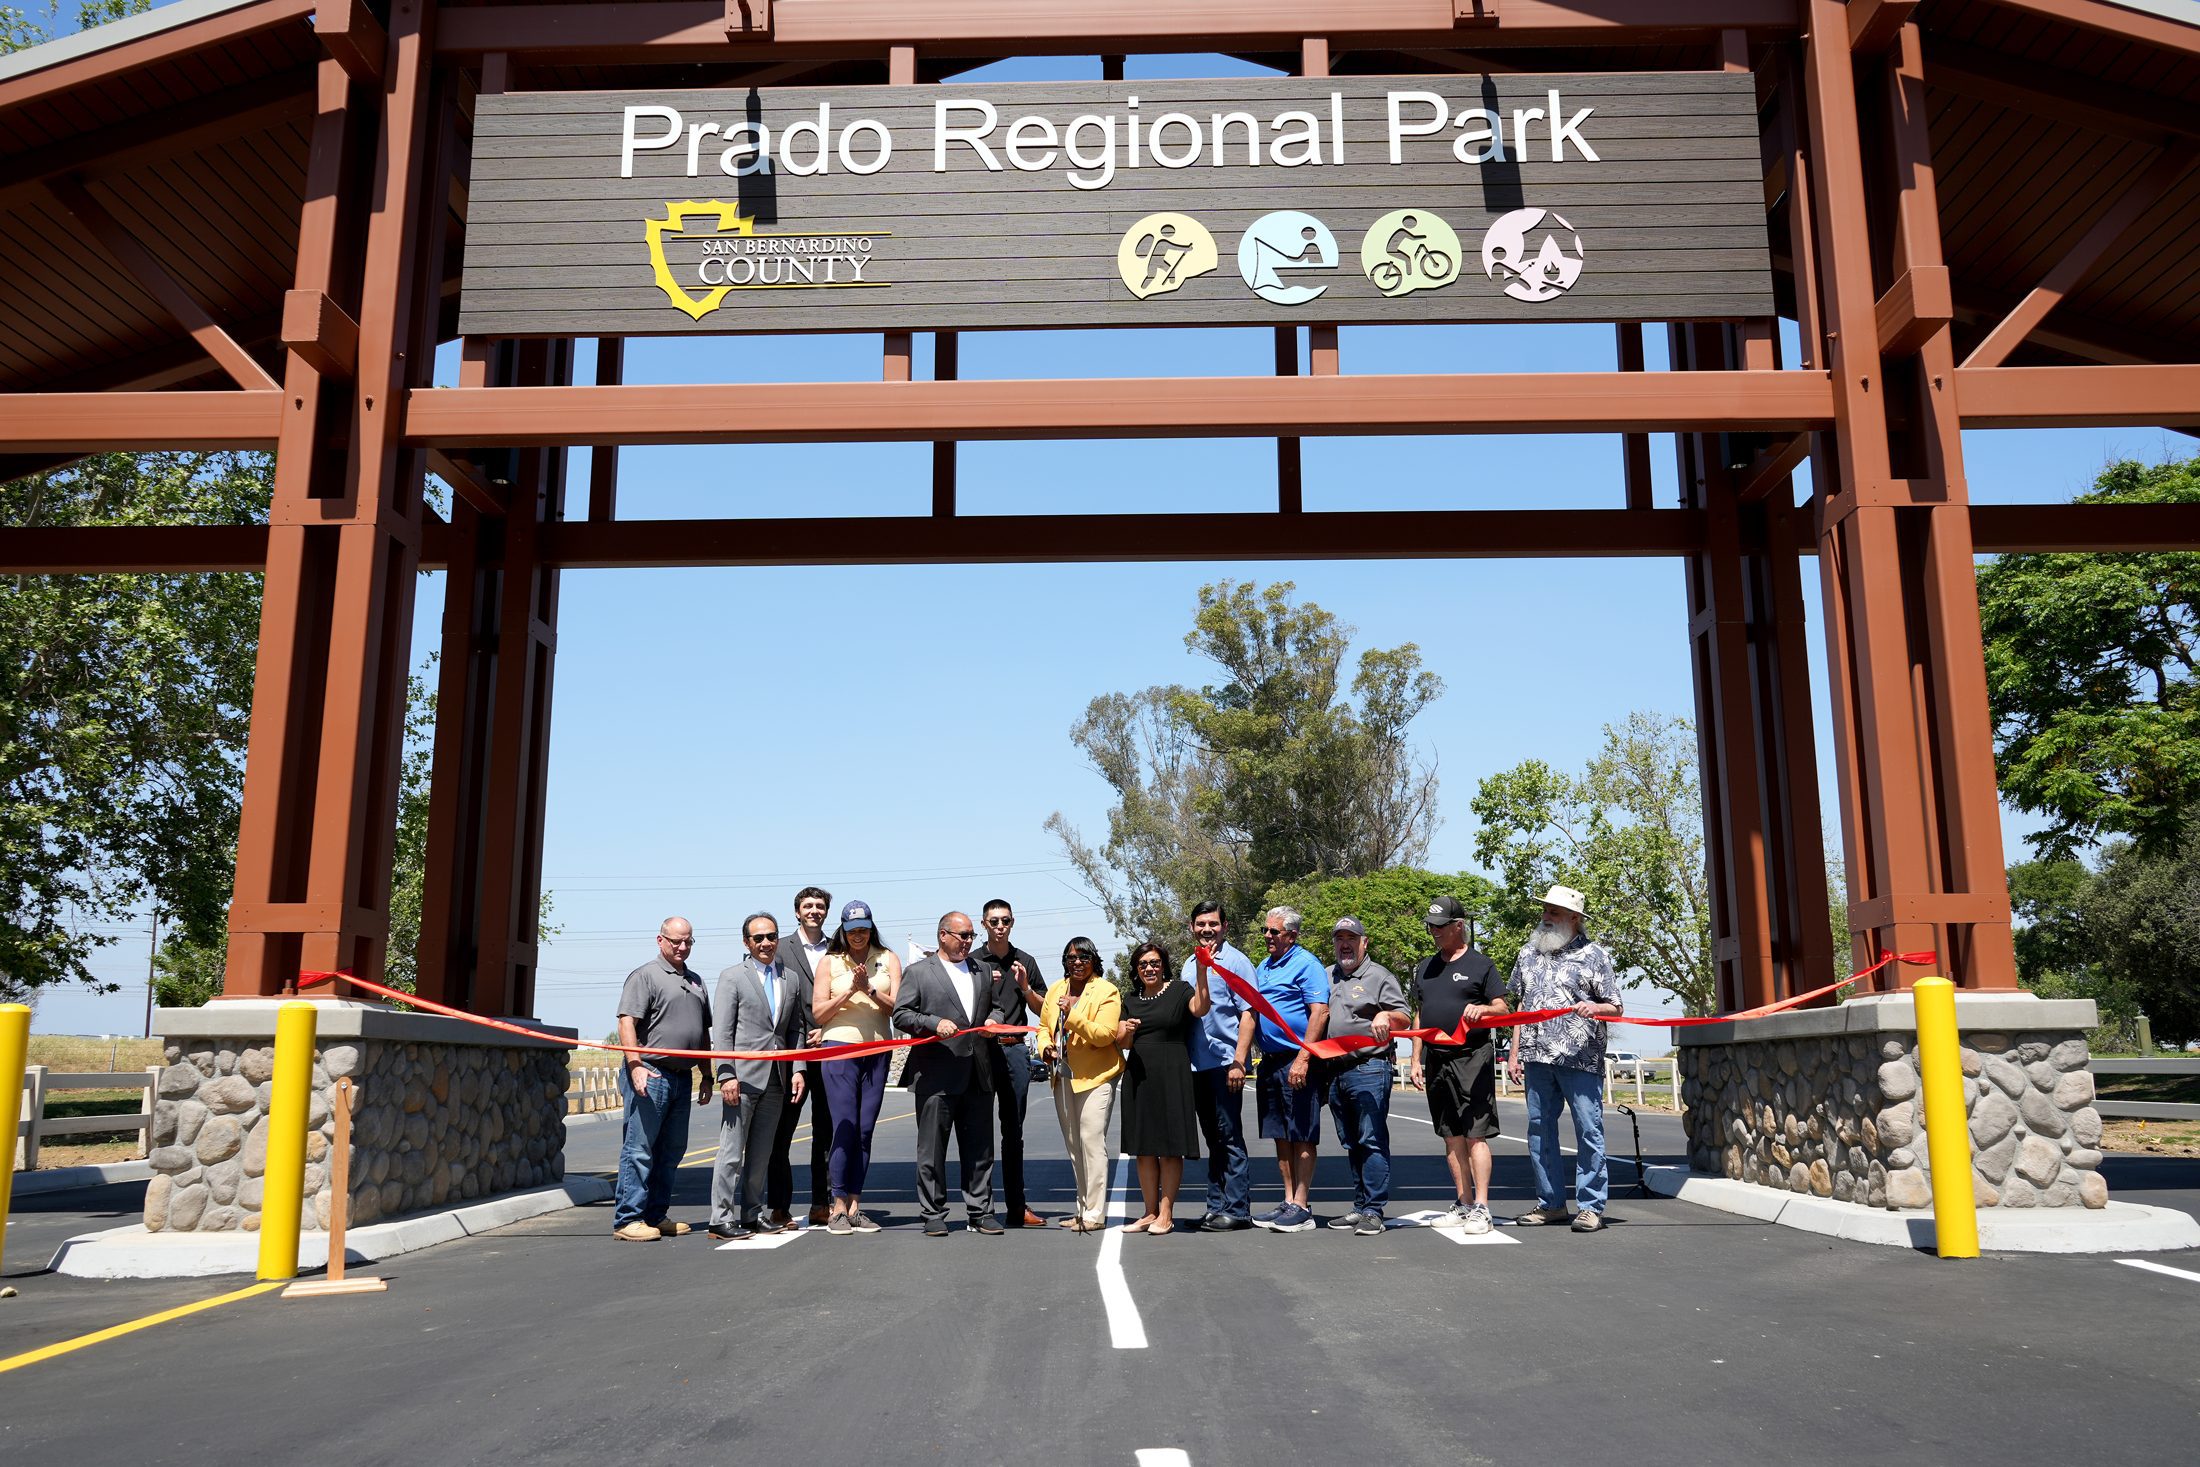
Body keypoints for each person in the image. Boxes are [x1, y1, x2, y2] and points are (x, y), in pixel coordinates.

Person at [1505, 884, 1624, 1233]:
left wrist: (1595, 1006)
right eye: (1544, 910)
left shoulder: (1595, 955)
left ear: (1574, 918)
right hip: (1537, 1057)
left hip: (1580, 1058)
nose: (1545, 916)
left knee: (1589, 1130)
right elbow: (1521, 1007)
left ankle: (1590, 1207)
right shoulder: (1528, 953)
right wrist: (1514, 1053)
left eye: (1553, 912)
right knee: (1540, 1131)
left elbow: (1616, 1007)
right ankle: (1551, 1204)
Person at [894, 911, 1008, 1237]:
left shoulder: (983, 970)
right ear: (943, 935)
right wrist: (932, 1023)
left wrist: (992, 1022)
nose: (968, 942)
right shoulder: (918, 972)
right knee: (931, 1151)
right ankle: (933, 1213)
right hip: (936, 1074)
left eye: (972, 935)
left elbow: (996, 1007)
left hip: (978, 1073)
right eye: (963, 935)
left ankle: (981, 1211)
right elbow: (901, 1015)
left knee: (981, 1149)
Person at [1408, 894, 1510, 1234]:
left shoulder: (1481, 965)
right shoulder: (1425, 966)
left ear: (1458, 926)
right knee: (1450, 1136)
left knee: (1475, 1135)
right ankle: (1464, 1203)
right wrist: (1415, 1059)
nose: (1433, 932)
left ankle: (1482, 1207)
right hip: (1436, 1060)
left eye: (1439, 927)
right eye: (1430, 926)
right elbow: (1419, 1015)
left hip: (1472, 1057)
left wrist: (1484, 1010)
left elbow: (1503, 1009)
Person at [708, 912, 810, 1240]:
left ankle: (752, 1214)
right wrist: (726, 1076)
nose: (766, 943)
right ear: (746, 942)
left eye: (771, 936)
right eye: (758, 938)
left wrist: (797, 1069)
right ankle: (720, 1218)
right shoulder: (732, 977)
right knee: (731, 1152)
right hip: (743, 1079)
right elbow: (722, 1033)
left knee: (762, 1154)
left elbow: (795, 1029)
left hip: (778, 1079)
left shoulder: (790, 978)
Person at [612, 917, 713, 1241]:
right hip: (651, 1073)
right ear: (660, 940)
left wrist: (707, 1075)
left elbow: (702, 1034)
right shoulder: (645, 976)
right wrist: (635, 1064)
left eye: (688, 942)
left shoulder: (697, 981)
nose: (682, 947)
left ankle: (656, 1214)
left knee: (671, 1151)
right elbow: (627, 1022)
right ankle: (628, 1219)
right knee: (639, 1149)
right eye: (675, 941)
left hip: (683, 1078)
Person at [810, 899, 902, 1236]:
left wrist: (870, 989)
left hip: (878, 1048)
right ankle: (836, 1206)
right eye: (852, 931)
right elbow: (819, 1015)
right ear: (843, 931)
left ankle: (855, 1205)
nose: (858, 936)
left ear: (871, 927)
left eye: (863, 929)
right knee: (844, 1126)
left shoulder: (888, 958)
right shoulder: (830, 962)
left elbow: (898, 1009)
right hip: (839, 1047)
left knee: (865, 1129)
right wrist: (850, 990)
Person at [1321, 917, 1408, 1236]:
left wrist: (1386, 1015)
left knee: (1371, 1139)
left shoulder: (1379, 976)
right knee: (1352, 1142)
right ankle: (1360, 1207)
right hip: (1335, 1071)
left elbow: (1403, 1016)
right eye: (1339, 938)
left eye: (1351, 938)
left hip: (1369, 1068)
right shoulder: (1326, 976)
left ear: (1364, 943)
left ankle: (1374, 1209)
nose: (1345, 944)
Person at [1036, 935, 1125, 1233]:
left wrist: (1072, 1016)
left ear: (1094, 960)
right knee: (1074, 1146)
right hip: (1063, 1076)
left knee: (1091, 1142)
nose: (1077, 963)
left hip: (1096, 1077)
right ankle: (1081, 1208)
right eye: (1071, 958)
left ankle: (1095, 1214)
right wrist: (1045, 1047)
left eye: (1084, 958)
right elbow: (1042, 1027)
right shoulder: (1056, 990)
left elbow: (1104, 1035)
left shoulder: (1107, 991)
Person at [1119, 940, 1206, 1238]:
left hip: (1172, 1072)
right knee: (1144, 1149)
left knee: (1170, 1149)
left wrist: (1203, 971)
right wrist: (1127, 1032)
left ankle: (1166, 1213)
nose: (1149, 968)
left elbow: (1201, 1008)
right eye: (1143, 964)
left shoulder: (1181, 989)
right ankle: (1149, 1212)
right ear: (1136, 969)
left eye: (1154, 963)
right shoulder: (1129, 999)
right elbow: (1122, 1042)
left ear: (1163, 965)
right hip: (1140, 1076)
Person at [1250, 906, 1329, 1232]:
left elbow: (1319, 1013)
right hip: (1270, 1063)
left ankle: (1302, 1204)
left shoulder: (1307, 965)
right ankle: (1288, 1201)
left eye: (1274, 932)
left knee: (1301, 1134)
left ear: (1292, 935)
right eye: (1266, 930)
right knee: (1280, 1135)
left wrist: (1304, 1058)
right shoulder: (1264, 966)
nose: (1267, 936)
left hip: (1297, 1060)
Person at [970, 898, 1048, 1227]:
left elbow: (1044, 1009)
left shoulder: (1025, 960)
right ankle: (982, 1208)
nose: (1000, 926)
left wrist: (1026, 987)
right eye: (993, 921)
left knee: (1012, 1132)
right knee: (978, 1132)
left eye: (1005, 921)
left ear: (1012, 923)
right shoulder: (972, 961)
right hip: (982, 1053)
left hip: (1015, 1051)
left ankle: (1017, 1207)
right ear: (984, 924)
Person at [1183, 901, 1255, 1232]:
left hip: (1226, 1064)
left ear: (1225, 926)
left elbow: (1249, 1013)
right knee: (1212, 1138)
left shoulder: (1237, 963)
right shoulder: (1189, 964)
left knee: (1229, 1137)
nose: (1206, 930)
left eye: (1213, 924)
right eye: (1200, 924)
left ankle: (1238, 1210)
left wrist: (1240, 1061)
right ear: (1192, 927)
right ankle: (1216, 1205)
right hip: (1196, 1066)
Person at [772, 885, 833, 1228]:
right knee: (781, 1133)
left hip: (828, 1049)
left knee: (827, 1132)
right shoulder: (778, 948)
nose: (814, 911)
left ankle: (821, 1203)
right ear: (797, 912)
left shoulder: (838, 949)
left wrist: (828, 1029)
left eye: (819, 906)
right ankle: (779, 1207)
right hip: (789, 1052)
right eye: (808, 906)